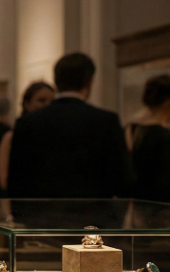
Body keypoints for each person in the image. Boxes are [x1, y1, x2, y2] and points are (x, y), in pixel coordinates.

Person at [7, 53, 132, 199]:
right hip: (93, 216)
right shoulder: (105, 121)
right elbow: (122, 179)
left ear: (56, 80)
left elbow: (17, 180)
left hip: (40, 216)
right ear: (89, 81)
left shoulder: (28, 122)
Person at [126, 75, 170, 203]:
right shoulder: (169, 138)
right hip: (160, 212)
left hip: (136, 209)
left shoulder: (130, 130)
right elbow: (169, 187)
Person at [0, 82, 55, 195]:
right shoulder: (12, 136)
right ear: (27, 104)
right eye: (41, 100)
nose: (47, 105)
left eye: (52, 102)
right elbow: (4, 180)